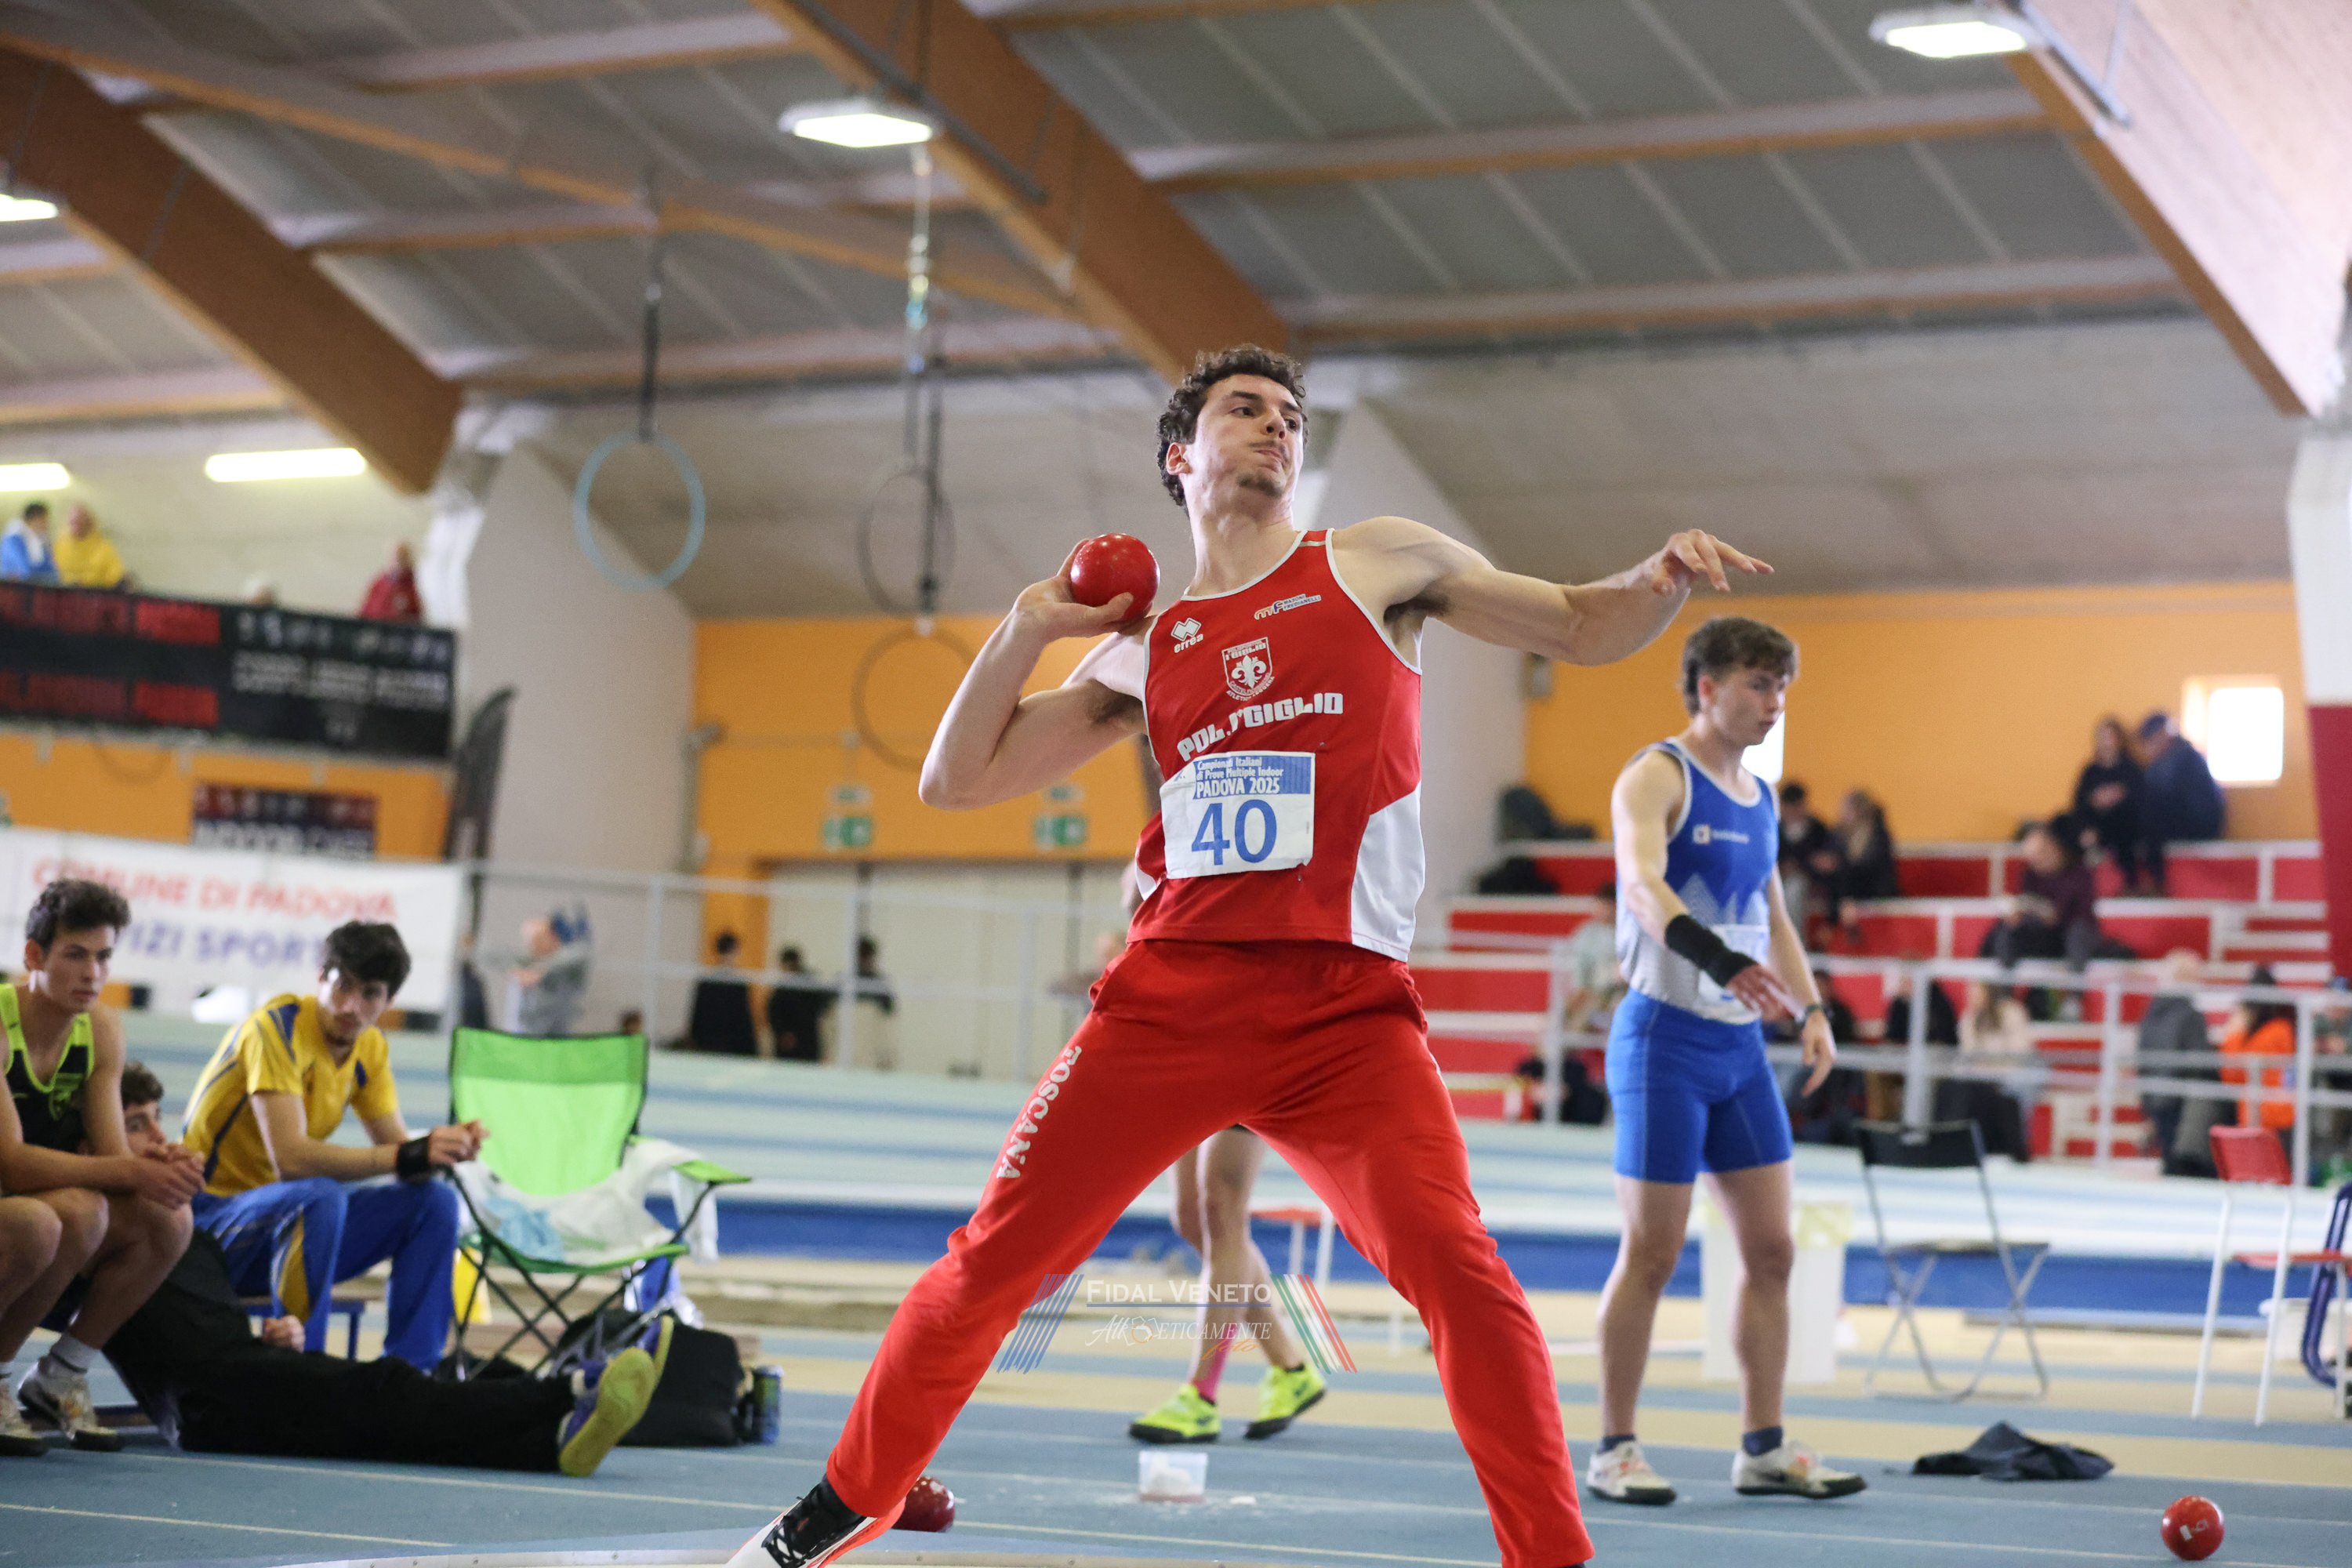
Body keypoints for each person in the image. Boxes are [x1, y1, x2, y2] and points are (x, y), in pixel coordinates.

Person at [722, 344, 1774, 1568]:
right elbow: (956, 781)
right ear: (1182, 456)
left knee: (1460, 1273)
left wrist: (1656, 578)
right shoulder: (1150, 642)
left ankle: (1551, 1556)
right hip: (1170, 1003)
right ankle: (853, 1498)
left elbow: (1583, 626)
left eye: (1290, 416)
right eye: (1245, 409)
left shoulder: (1376, 562)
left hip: (1348, 1015)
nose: (1277, 428)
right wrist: (1027, 625)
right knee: (998, 1258)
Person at [1591, 615, 1862, 1510]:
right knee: (1652, 1251)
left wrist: (1812, 1009)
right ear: (1706, 687)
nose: (1774, 702)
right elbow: (1642, 886)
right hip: (1664, 1041)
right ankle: (1615, 1447)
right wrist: (1721, 963)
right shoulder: (1656, 774)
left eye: (1781, 686)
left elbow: (1774, 916)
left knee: (1774, 1251)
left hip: (1738, 1050)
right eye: (1757, 683)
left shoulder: (1760, 797)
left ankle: (1764, 1446)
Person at [98, 1059, 666, 1471]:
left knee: (381, 1422)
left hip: (243, 1376)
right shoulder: (105, 1226)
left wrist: (274, 1332)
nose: (161, 1137)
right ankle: (569, 1390)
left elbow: (199, 1320)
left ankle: (547, 1445)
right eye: (136, 1125)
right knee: (384, 1392)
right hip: (207, 1403)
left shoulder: (176, 1218)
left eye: (156, 1119)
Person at [180, 921, 484, 1369]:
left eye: (370, 994)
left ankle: (409, 1376)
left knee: (434, 1202)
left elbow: (403, 1158)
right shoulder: (275, 1028)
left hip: (289, 1234)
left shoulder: (370, 1049)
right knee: (317, 1196)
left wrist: (443, 1150)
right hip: (207, 1228)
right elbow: (291, 1161)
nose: (350, 1006)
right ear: (321, 977)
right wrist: (408, 1153)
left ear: (389, 1002)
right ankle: (308, 1375)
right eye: (343, 986)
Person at [1, 880, 199, 1454]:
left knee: (168, 1217)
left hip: (24, 1208)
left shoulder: (102, 1030)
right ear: (34, 956)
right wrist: (131, 1172)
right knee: (53, 1219)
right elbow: (12, 1165)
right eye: (75, 955)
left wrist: (157, 1163)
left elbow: (114, 1161)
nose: (93, 973)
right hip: (17, 1205)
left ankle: (62, 1372)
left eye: (104, 957)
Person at [1127, 1128, 1324, 1444]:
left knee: (1221, 1210)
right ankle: (1290, 1369)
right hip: (1189, 1094)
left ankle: (1201, 1396)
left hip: (1245, 1096)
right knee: (1191, 1217)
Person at [2137, 950, 2220, 1177]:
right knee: (2183, 1163)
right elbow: (2200, 1063)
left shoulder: (2151, 1014)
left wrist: (2146, 1104)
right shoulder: (2190, 1015)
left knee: (2170, 1157)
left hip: (2156, 1096)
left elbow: (2142, 1060)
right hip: (2183, 1101)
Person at [1978, 822, 2099, 974]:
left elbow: (2078, 913)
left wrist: (2053, 915)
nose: (2037, 861)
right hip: (2042, 934)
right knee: (2005, 929)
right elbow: (2028, 903)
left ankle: (2075, 986)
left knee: (2078, 934)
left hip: (2070, 934)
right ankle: (2001, 983)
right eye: (2033, 858)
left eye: (2041, 854)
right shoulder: (2031, 874)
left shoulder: (2079, 873)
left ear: (2054, 847)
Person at [1936, 982, 2033, 1162]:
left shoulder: (2011, 1012)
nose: (1970, 995)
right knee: (1955, 1088)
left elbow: (2020, 1052)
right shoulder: (1969, 1018)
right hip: (1980, 1076)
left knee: (2014, 1088)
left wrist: (1993, 1068)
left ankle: (2016, 1147)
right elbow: (1968, 1053)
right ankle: (1957, 1144)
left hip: (2011, 1073)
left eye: (1974, 989)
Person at [2137, 713, 2224, 895]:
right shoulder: (2176, 758)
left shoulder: (2181, 758)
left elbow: (2165, 796)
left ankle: (2157, 881)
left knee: (2149, 811)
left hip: (2200, 824)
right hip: (2192, 820)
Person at [2217, 969, 2296, 1155]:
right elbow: (2231, 1077)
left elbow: (2238, 1071)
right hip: (2255, 1118)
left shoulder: (2278, 1031)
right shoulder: (2255, 1033)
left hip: (2273, 1121)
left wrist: (2234, 1034)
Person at [2069, 716, 2143, 891]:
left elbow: (2140, 800)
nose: (2106, 742)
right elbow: (2079, 803)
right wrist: (2086, 827)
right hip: (2094, 825)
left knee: (2122, 825)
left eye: (2110, 737)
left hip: (2124, 825)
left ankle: (2129, 883)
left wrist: (2118, 796)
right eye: (2102, 737)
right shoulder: (2090, 771)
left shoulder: (2131, 769)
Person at [1776, 782, 1840, 938]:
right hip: (1779, 879)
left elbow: (1827, 861)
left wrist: (1803, 866)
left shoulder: (1818, 829)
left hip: (1809, 880)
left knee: (1795, 889)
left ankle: (1794, 939)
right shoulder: (1776, 829)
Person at [509, 913, 590, 1036]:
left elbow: (580, 954)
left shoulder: (569, 961)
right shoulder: (525, 963)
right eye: (529, 940)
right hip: (527, 1037)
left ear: (552, 937)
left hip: (560, 1036)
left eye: (537, 939)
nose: (532, 945)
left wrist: (541, 972)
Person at [1561, 883, 1624, 1035]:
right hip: (1590, 990)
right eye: (1599, 906)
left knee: (1585, 1016)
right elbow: (1580, 966)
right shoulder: (1587, 933)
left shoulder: (1630, 931)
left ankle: (1570, 1041)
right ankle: (1546, 1049)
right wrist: (1580, 989)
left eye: (1606, 906)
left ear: (1617, 907)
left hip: (1617, 992)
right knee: (1559, 1014)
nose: (1600, 910)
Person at [1830, 789, 1899, 925]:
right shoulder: (1840, 834)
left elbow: (1874, 867)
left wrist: (1842, 864)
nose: (1843, 814)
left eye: (1847, 810)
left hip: (1874, 889)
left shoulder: (1877, 834)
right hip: (1850, 889)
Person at [687, 931, 759, 1057]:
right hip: (732, 1046)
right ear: (734, 950)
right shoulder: (739, 983)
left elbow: (697, 1017)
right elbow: (744, 1020)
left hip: (709, 1043)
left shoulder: (706, 982)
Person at [764, 947, 829, 1063]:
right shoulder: (784, 988)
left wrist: (785, 1034)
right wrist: (782, 1034)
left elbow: (817, 1010)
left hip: (804, 1044)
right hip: (797, 1045)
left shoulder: (804, 986)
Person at [52, 506, 125, 590]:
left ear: (90, 524)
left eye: (80, 522)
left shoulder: (105, 548)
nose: (76, 527)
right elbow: (52, 573)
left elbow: (115, 576)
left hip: (95, 594)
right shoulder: (59, 545)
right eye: (73, 523)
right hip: (64, 593)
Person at [360, 541, 424, 622]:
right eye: (396, 558)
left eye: (402, 557)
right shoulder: (379, 583)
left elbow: (418, 615)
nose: (398, 562)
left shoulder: (416, 585)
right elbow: (365, 610)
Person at [1, 501, 56, 584]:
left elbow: (51, 570)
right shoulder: (14, 540)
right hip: (14, 587)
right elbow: (24, 571)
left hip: (33, 585)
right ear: (36, 519)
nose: (47, 525)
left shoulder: (40, 541)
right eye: (44, 520)